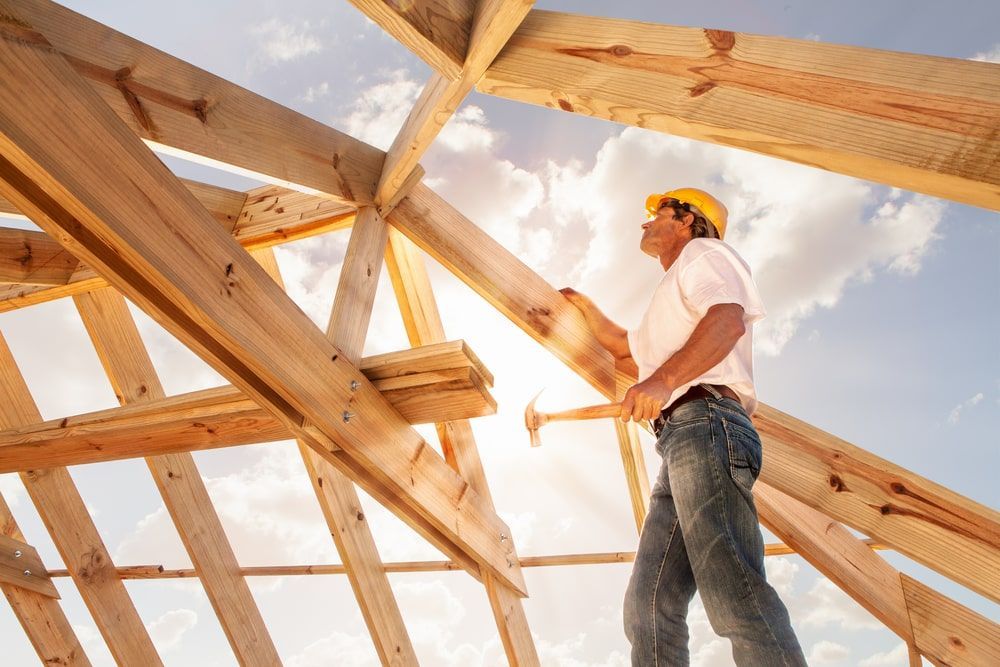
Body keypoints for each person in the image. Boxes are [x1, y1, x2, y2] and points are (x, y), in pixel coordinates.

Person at [560, 188, 806, 666]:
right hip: (681, 439)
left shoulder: (704, 253)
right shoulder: (671, 293)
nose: (644, 222)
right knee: (649, 607)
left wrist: (662, 380)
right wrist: (582, 305)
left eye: (657, 213)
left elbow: (728, 320)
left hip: (707, 422)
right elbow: (625, 349)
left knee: (732, 588)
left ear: (688, 221)